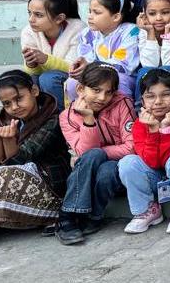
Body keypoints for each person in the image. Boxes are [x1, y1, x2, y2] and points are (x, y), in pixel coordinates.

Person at [0, 71, 69, 240]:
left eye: (19, 98)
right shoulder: (5, 118)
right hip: (17, 177)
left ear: (34, 91)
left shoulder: (53, 118)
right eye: (7, 103)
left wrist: (8, 140)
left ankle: (35, 216)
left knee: (11, 176)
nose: (14, 107)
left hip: (50, 182)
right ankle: (0, 217)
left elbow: (23, 159)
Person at [56, 64, 134, 245]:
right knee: (93, 155)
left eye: (109, 92)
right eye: (96, 90)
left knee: (105, 168)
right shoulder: (67, 117)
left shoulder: (123, 103)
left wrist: (101, 153)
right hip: (87, 170)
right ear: (80, 89)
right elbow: (85, 153)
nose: (102, 98)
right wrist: (88, 120)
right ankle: (68, 216)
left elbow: (131, 147)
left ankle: (89, 216)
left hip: (117, 167)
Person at [119, 70, 170, 234]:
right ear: (142, 101)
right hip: (154, 177)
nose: (158, 101)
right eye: (150, 96)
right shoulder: (140, 124)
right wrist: (153, 131)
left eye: (165, 94)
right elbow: (152, 162)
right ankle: (147, 210)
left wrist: (166, 128)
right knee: (127, 162)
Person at [64, 0, 142, 103]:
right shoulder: (87, 33)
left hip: (122, 76)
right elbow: (86, 58)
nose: (90, 16)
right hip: (94, 74)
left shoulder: (131, 31)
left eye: (96, 12)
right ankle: (79, 111)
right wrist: (79, 65)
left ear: (116, 17)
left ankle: (123, 112)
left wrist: (90, 66)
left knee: (118, 82)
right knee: (73, 82)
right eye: (90, 11)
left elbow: (124, 65)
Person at [20, 0, 86, 108]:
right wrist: (31, 64)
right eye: (29, 13)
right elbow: (33, 73)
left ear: (59, 18)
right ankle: (37, 118)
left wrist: (46, 59)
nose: (31, 19)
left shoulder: (78, 29)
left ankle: (59, 117)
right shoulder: (28, 32)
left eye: (38, 15)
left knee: (48, 79)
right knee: (27, 81)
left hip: (73, 79)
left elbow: (73, 68)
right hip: (44, 78)